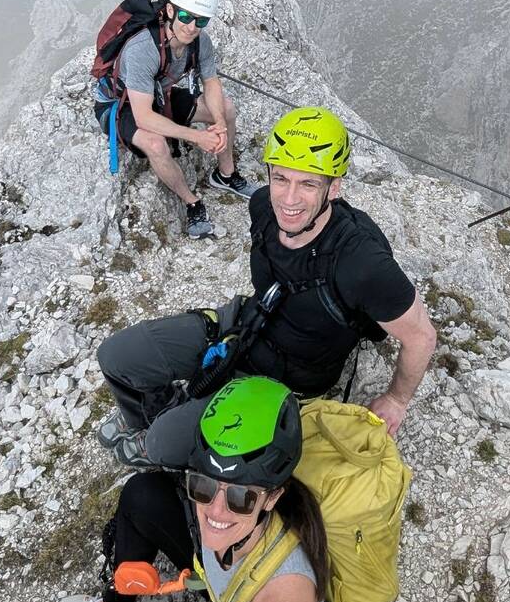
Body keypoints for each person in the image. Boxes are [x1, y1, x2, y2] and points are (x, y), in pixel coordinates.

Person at [96, 106, 437, 466]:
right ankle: (150, 413)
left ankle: (158, 436)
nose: (288, 200)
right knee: (118, 356)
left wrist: (396, 400)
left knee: (165, 445)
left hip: (291, 376)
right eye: (281, 179)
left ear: (333, 188)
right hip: (246, 326)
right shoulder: (262, 207)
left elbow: (421, 336)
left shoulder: (360, 263)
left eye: (308, 183)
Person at [103, 377, 328, 602]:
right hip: (221, 581)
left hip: (236, 592)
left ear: (272, 497)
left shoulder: (284, 595)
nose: (216, 511)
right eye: (204, 485)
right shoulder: (242, 516)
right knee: (141, 494)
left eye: (240, 497)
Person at [93, 0, 259, 239]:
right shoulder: (142, 49)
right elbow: (144, 117)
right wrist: (196, 137)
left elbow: (212, 82)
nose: (192, 26)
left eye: (201, 20)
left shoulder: (199, 41)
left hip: (159, 96)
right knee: (155, 144)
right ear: (170, 10)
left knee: (227, 108)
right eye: (185, 16)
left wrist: (217, 123)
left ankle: (226, 175)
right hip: (120, 105)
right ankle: (192, 202)